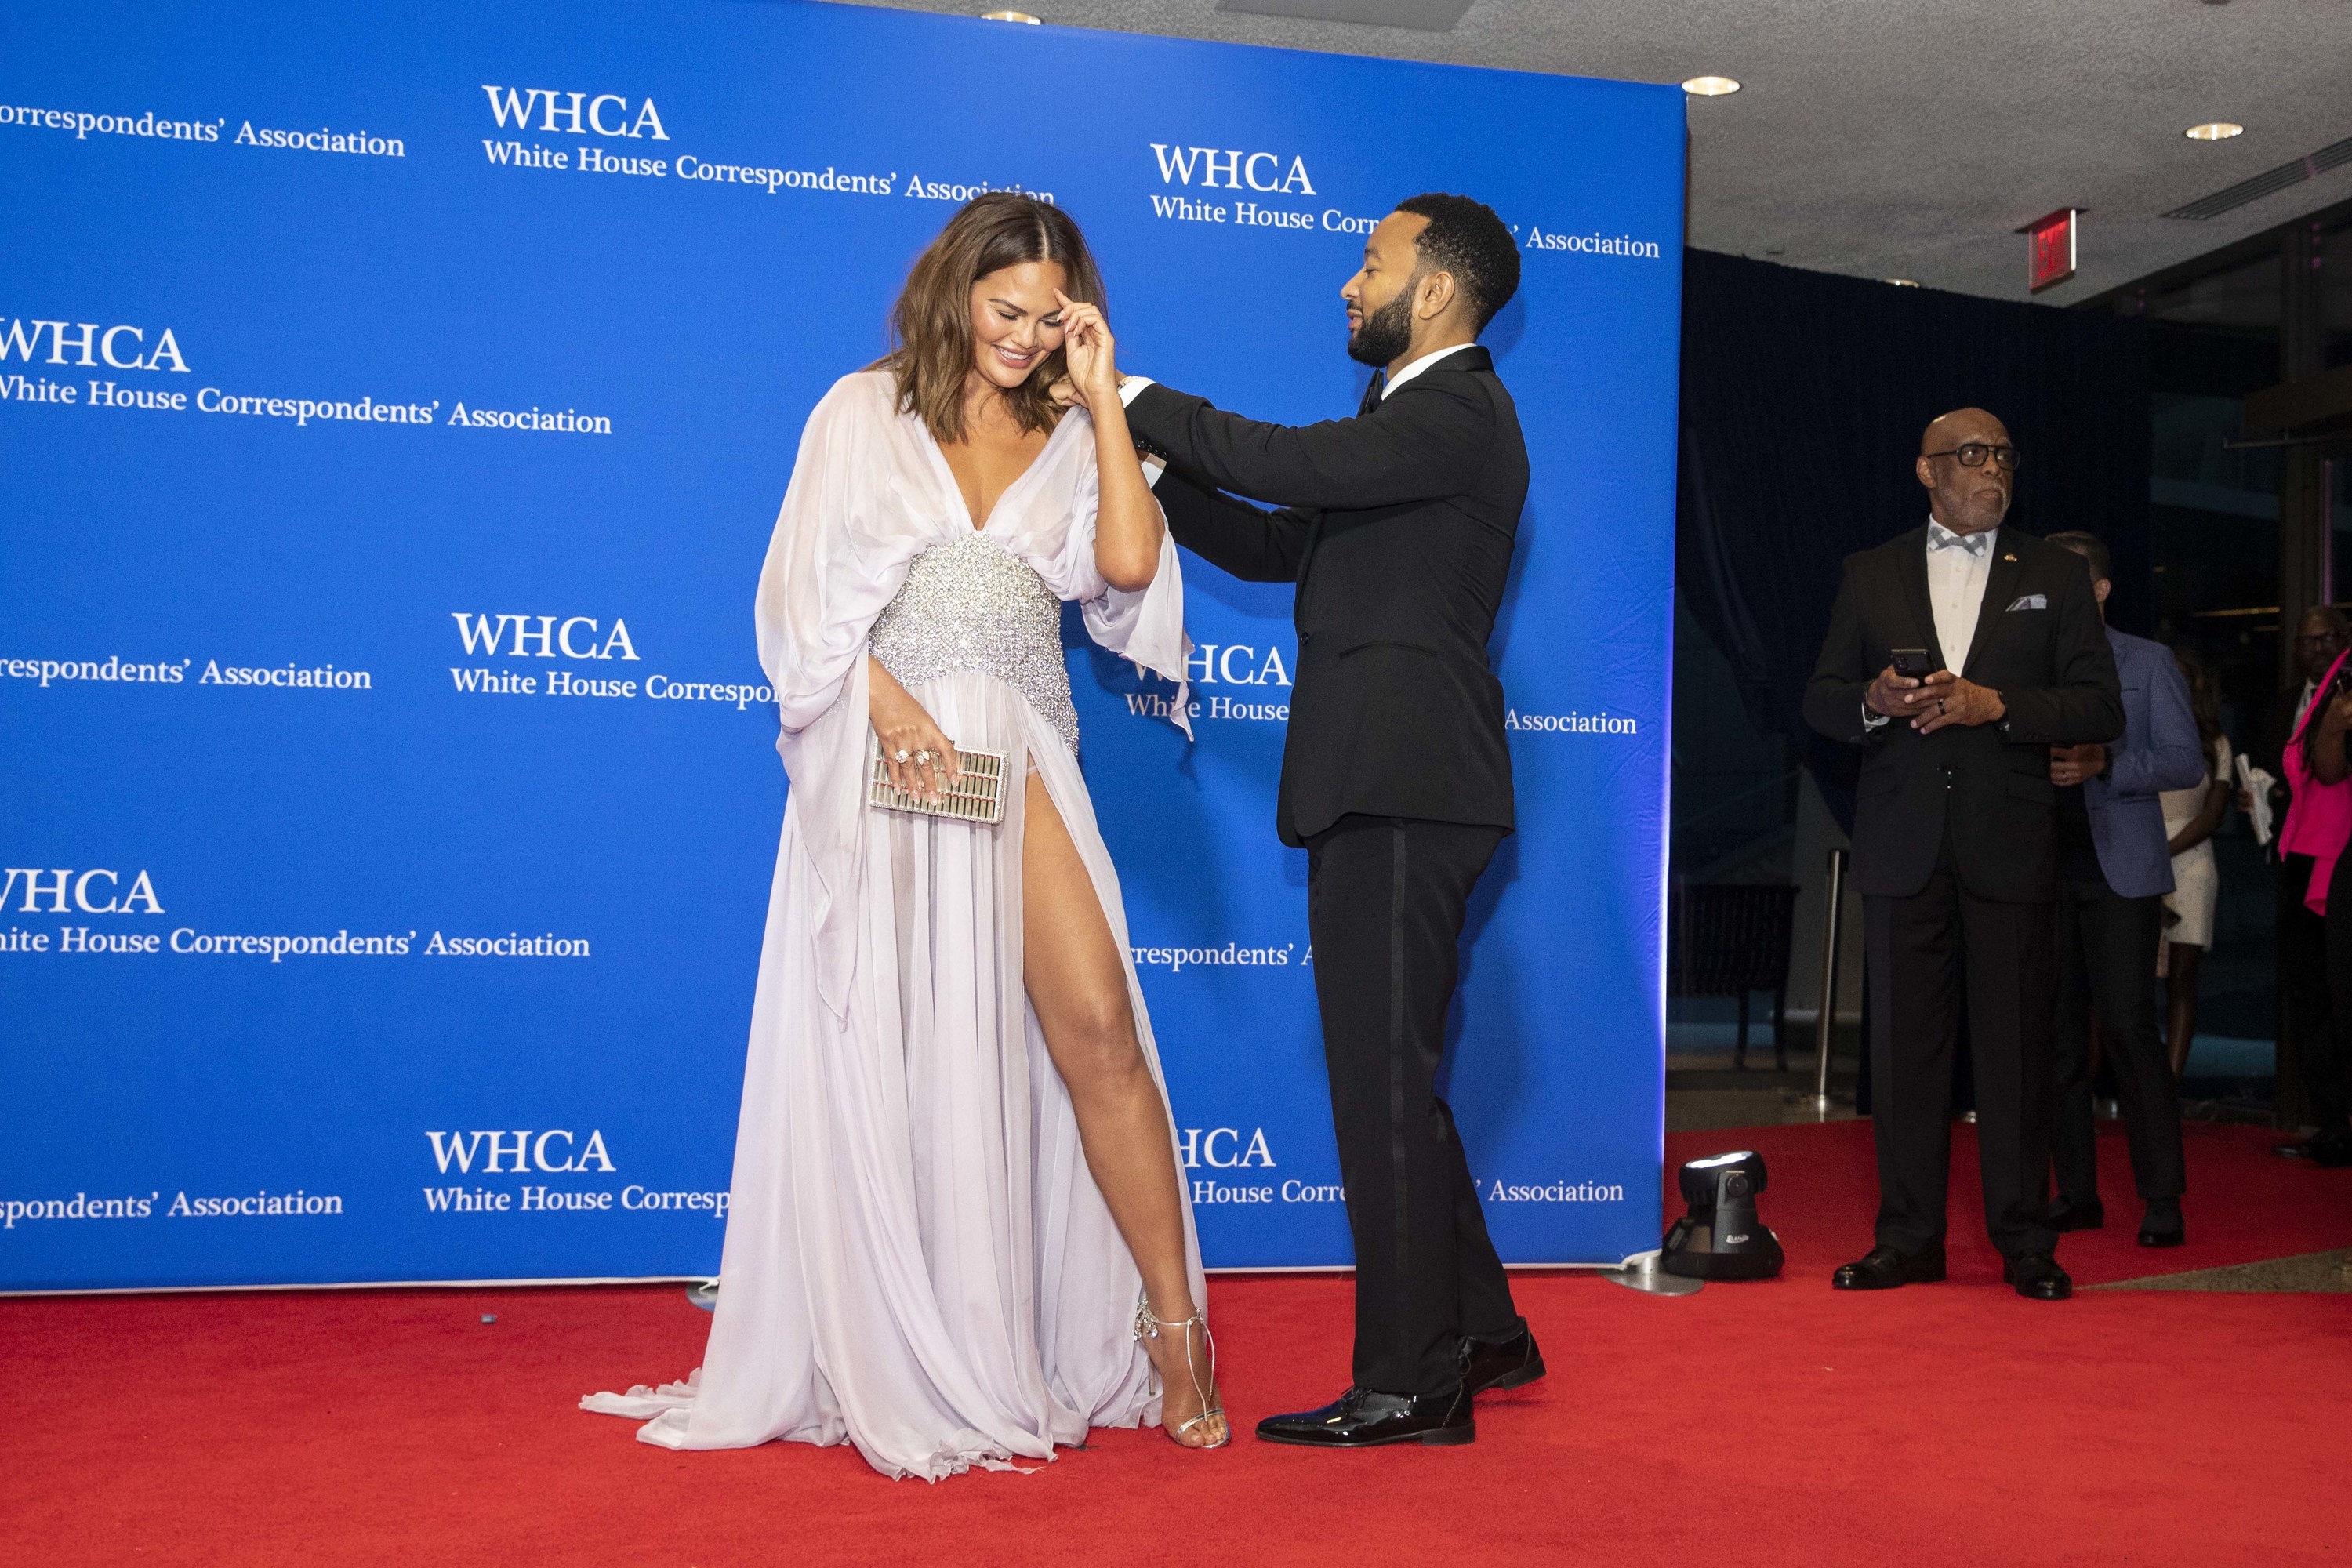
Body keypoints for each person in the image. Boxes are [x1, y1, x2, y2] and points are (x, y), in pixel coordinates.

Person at [585, 194, 1228, 1476]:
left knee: (1099, 1030)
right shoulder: (858, 413)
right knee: (905, 1051)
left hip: (1028, 751)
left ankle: (1178, 1337)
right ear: (953, 292)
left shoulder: (1069, 425)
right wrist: (887, 708)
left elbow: (1130, 573)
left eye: (1054, 319)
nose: (1027, 337)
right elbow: (796, 601)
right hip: (890, 761)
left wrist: (1105, 405)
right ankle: (927, 1336)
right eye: (1007, 311)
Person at [1070, 194, 1535, 1447]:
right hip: (1389, 785)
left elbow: (1286, 464)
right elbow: (1282, 543)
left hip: (1405, 785)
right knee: (1395, 1083)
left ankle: (1408, 1380)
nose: (1348, 282)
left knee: (1381, 1087)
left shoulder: (1458, 411)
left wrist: (1135, 391)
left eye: (1371, 262)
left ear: (1434, 290)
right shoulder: (1413, 424)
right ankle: (1481, 1330)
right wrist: (1144, 461)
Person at [1802, 408, 2122, 1302]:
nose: (1994, 470)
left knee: (2017, 1050)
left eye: (2005, 456)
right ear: (1927, 470)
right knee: (1905, 1054)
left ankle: (2025, 1239)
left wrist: (1997, 705)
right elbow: (1821, 698)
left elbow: (2101, 707)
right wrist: (1872, 698)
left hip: (2010, 845)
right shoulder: (1869, 573)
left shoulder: (2055, 575)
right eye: (1974, 455)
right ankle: (1908, 1237)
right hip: (1902, 845)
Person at [2040, 531, 2204, 1247]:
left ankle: (2162, 1196)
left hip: (2121, 875)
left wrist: (2108, 763)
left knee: (2130, 1033)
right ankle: (2077, 1193)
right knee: (2056, 1044)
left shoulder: (2148, 662)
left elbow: (2185, 761)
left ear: (2101, 590)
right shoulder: (2023, 668)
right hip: (2039, 875)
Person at [2262, 606, 2352, 1162]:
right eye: (2306, 642)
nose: (2316, 650)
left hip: (2337, 860)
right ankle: (2331, 1124)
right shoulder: (2297, 701)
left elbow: (2332, 773)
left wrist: (2338, 725)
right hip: (2300, 856)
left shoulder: (2341, 697)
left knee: (2337, 995)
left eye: (2327, 640)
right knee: (2310, 995)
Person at [2160, 645, 2232, 1080]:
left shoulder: (2216, 742)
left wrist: (2159, 855)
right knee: (2118, 986)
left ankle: (2168, 1089)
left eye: (2178, 675)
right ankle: (2095, 1095)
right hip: (2135, 861)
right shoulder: (2138, 728)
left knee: (2182, 979)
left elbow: (2212, 816)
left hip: (2190, 864)